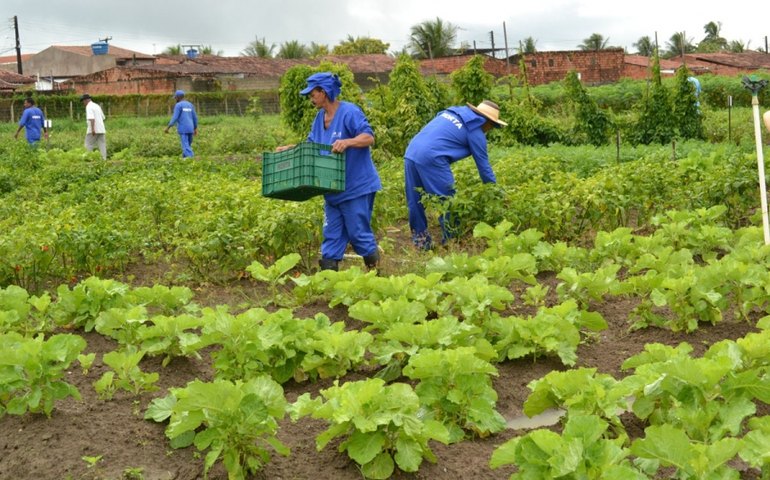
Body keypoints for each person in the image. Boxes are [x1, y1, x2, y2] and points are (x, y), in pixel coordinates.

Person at [277, 72, 382, 271]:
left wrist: (348, 142)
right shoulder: (319, 118)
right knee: (331, 236)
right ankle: (329, 283)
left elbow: (369, 137)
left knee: (358, 233)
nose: (310, 97)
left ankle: (376, 276)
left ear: (324, 92)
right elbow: (312, 145)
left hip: (355, 186)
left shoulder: (349, 112)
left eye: (312, 93)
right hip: (332, 188)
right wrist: (291, 148)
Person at [404, 100, 507, 250]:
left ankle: (421, 242)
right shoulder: (475, 131)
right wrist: (495, 193)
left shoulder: (453, 112)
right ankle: (452, 242)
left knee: (415, 199)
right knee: (447, 200)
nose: (489, 130)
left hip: (411, 151)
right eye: (492, 126)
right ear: (486, 121)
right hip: (433, 157)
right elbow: (484, 168)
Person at [164, 90, 198, 157]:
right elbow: (195, 117)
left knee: (185, 146)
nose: (175, 99)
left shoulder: (178, 105)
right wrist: (195, 128)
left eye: (175, 98)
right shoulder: (190, 104)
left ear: (178, 97)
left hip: (183, 128)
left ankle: (191, 159)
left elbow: (175, 118)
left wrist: (168, 127)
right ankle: (184, 159)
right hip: (191, 128)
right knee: (188, 145)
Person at [80, 94, 107, 159]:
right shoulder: (96, 106)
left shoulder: (88, 106)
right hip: (101, 129)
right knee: (102, 144)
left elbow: (91, 118)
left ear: (86, 100)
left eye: (83, 101)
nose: (83, 103)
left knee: (88, 144)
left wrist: (93, 129)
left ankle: (87, 159)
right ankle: (104, 159)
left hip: (93, 129)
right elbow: (103, 117)